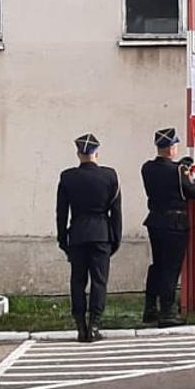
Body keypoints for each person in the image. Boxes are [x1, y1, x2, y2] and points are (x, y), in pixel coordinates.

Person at [56, 133, 121, 343]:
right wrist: (115, 238)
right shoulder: (110, 176)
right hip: (101, 234)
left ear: (78, 154)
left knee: (78, 280)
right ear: (96, 153)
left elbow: (61, 212)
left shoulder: (67, 177)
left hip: (77, 234)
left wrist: (62, 238)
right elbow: (116, 212)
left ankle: (80, 327)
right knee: (99, 281)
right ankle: (95, 324)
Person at [140, 128, 195, 326]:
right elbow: (193, 191)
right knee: (170, 268)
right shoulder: (178, 171)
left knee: (157, 266)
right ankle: (166, 312)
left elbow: (166, 172)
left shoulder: (147, 168)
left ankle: (150, 307)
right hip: (175, 224)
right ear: (172, 148)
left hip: (155, 221)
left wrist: (181, 168)